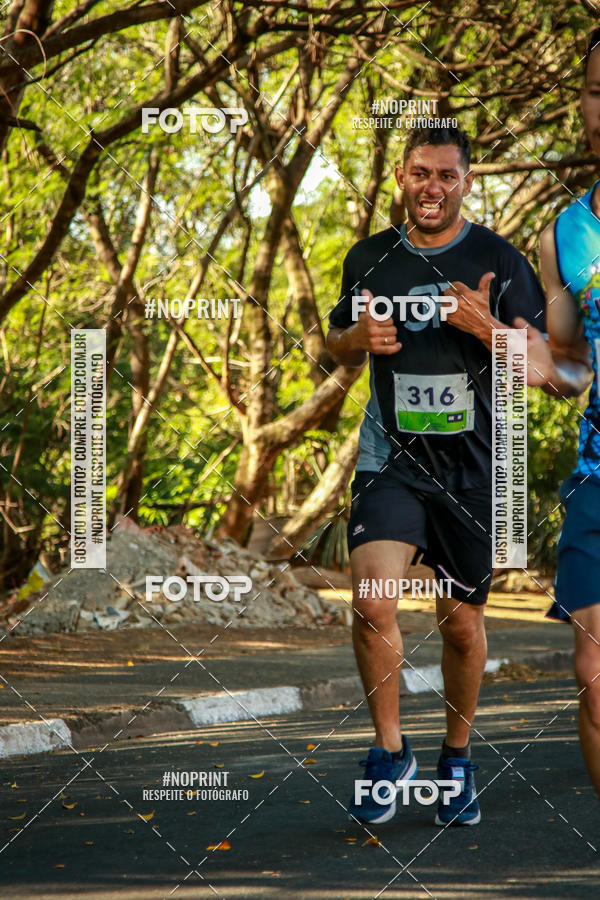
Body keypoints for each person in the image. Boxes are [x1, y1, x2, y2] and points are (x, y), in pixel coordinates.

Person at [326, 125, 548, 827]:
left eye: (447, 176)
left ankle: (456, 756)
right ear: (400, 176)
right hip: (391, 459)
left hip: (476, 471)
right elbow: (330, 342)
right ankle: (390, 754)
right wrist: (354, 341)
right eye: (420, 173)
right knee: (373, 601)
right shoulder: (369, 257)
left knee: (459, 627)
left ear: (467, 183)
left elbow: (549, 372)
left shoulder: (499, 259)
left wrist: (487, 327)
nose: (432, 187)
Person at [525, 27, 600, 797]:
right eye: (597, 90)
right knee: (592, 673)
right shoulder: (564, 233)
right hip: (598, 472)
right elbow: (572, 360)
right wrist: (516, 349)